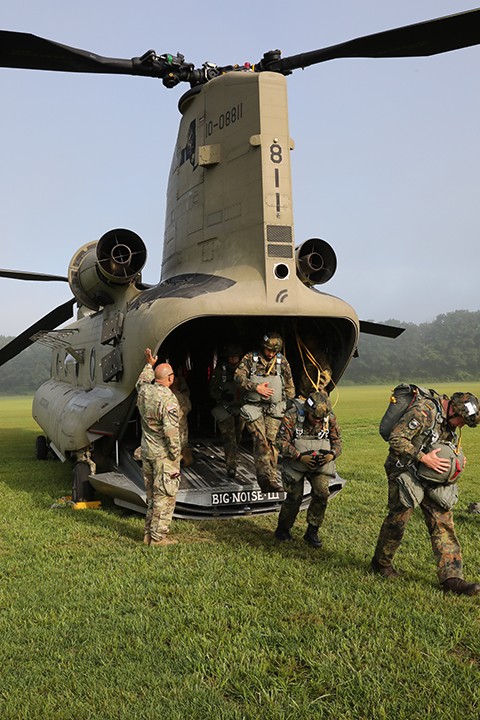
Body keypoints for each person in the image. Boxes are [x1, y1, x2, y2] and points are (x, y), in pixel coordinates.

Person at [371, 390, 480, 596]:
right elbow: (396, 438)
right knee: (399, 518)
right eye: (462, 421)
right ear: (454, 410)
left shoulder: (449, 421)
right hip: (403, 468)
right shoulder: (424, 411)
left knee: (443, 520)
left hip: (430, 474)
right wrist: (422, 457)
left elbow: (443, 443)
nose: (461, 426)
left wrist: (456, 460)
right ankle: (381, 563)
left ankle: (452, 578)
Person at [275, 391, 342, 547]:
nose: (317, 421)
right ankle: (283, 530)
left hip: (319, 463)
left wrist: (332, 455)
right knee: (294, 497)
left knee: (322, 493)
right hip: (295, 463)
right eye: (314, 418)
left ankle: (312, 531)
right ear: (307, 411)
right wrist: (298, 456)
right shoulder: (292, 417)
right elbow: (280, 442)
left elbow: (338, 441)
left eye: (320, 419)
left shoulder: (329, 419)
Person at [234, 331, 295, 492]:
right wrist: (256, 387)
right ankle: (264, 479)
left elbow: (289, 386)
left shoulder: (282, 362)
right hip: (254, 407)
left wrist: (290, 408)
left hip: (275, 409)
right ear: (263, 347)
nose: (271, 354)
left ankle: (271, 478)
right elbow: (238, 378)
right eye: (268, 350)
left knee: (272, 443)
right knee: (261, 441)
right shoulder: (250, 359)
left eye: (274, 351)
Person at [136, 348, 182, 547]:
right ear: (170, 378)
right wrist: (176, 455)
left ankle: (148, 533)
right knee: (165, 495)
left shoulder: (145, 392)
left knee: (152, 497)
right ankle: (158, 538)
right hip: (163, 455)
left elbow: (141, 382)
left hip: (147, 452)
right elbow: (171, 432)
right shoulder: (168, 399)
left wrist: (149, 364)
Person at [209, 343, 245, 479]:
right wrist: (222, 395)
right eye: (231, 357)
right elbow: (212, 390)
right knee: (229, 437)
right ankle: (231, 466)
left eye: (235, 357)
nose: (233, 360)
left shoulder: (244, 370)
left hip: (241, 407)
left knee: (238, 435)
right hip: (225, 407)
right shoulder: (220, 370)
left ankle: (233, 456)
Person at [171, 369, 193, 467]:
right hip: (182, 440)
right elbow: (186, 393)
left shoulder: (165, 397)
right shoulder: (182, 398)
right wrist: (181, 379)